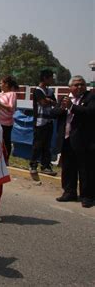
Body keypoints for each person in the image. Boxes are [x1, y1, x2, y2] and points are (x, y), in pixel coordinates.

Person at [52, 76, 95, 208]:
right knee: (68, 168)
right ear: (70, 87)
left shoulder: (90, 97)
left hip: (84, 140)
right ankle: (69, 192)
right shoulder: (65, 99)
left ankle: (87, 196)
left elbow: (90, 112)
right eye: (76, 85)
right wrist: (64, 108)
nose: (79, 87)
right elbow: (54, 112)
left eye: (82, 84)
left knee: (85, 169)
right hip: (66, 139)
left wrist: (72, 107)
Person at [29, 69, 57, 176]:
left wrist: (49, 100)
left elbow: (55, 103)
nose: (52, 80)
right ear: (45, 78)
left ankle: (45, 166)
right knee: (38, 144)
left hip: (49, 120)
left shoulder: (50, 91)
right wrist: (49, 101)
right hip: (40, 122)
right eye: (50, 77)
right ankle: (33, 164)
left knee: (47, 145)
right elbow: (43, 103)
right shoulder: (37, 90)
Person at [0, 76, 19, 161]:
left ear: (6, 84)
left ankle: (5, 159)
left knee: (5, 141)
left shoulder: (12, 94)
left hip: (6, 123)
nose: (0, 85)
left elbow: (11, 107)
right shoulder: (0, 94)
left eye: (1, 83)